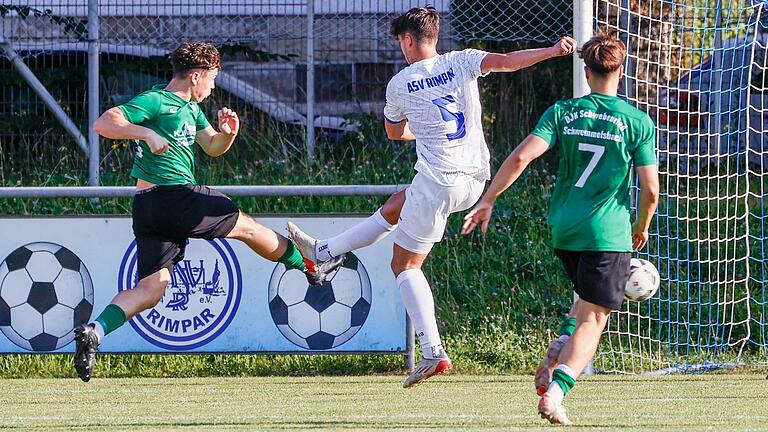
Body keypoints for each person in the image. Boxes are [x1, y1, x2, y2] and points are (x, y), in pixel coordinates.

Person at [286, 6, 575, 388]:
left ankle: (433, 349)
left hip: (439, 182)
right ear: (435, 37)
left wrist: (418, 131)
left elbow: (394, 133)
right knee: (397, 203)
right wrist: (551, 51)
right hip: (474, 179)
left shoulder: (400, 83)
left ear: (407, 40)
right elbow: (507, 62)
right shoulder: (462, 61)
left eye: (400, 43)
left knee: (404, 266)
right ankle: (323, 254)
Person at [73, 42, 343, 382]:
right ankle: (310, 265)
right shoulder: (157, 100)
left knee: (152, 288)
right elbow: (104, 123)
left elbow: (212, 146)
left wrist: (229, 135)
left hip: (150, 209)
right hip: (174, 197)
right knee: (247, 227)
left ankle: (95, 331)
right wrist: (146, 132)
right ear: (196, 76)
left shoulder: (191, 108)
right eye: (212, 79)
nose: (214, 86)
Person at [461, 31, 659, 425]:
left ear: (586, 72)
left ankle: (560, 347)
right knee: (596, 319)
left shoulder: (563, 112)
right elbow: (651, 190)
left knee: (586, 303)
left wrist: (488, 200)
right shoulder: (636, 121)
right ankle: (556, 393)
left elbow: (520, 158)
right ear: (621, 70)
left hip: (565, 230)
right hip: (608, 232)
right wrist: (641, 226)